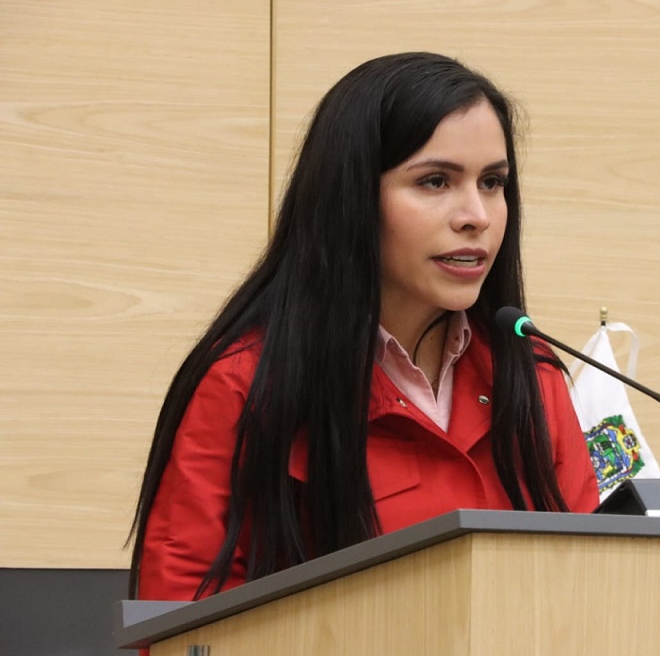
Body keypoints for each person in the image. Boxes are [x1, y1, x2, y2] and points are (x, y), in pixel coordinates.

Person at [128, 51, 599, 602]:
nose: (477, 215)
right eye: (435, 181)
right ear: (351, 197)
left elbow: (589, 587)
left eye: (492, 182)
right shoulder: (246, 382)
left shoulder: (531, 374)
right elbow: (181, 618)